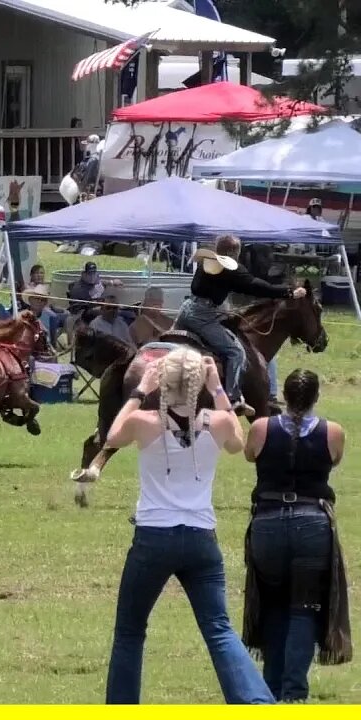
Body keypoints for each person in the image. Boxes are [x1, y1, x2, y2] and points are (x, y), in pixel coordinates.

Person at [102, 346, 274, 704]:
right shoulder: (220, 421)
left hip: (153, 537)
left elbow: (112, 436)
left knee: (130, 631)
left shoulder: (145, 423)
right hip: (200, 538)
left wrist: (139, 391)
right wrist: (218, 388)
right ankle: (256, 703)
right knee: (219, 628)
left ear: (162, 382)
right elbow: (237, 443)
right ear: (200, 383)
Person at [241, 369, 351, 702]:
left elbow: (249, 454)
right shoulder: (333, 432)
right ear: (316, 397)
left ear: (284, 396)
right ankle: (294, 693)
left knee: (272, 605)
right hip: (312, 522)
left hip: (269, 521)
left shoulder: (261, 428)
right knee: (304, 608)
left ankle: (269, 690)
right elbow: (334, 460)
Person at [177, 235, 307, 417]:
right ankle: (233, 397)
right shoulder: (228, 267)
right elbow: (254, 285)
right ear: (232, 252)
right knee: (235, 352)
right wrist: (289, 293)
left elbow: (231, 286)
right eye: (237, 252)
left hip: (188, 309)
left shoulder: (209, 261)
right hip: (203, 316)